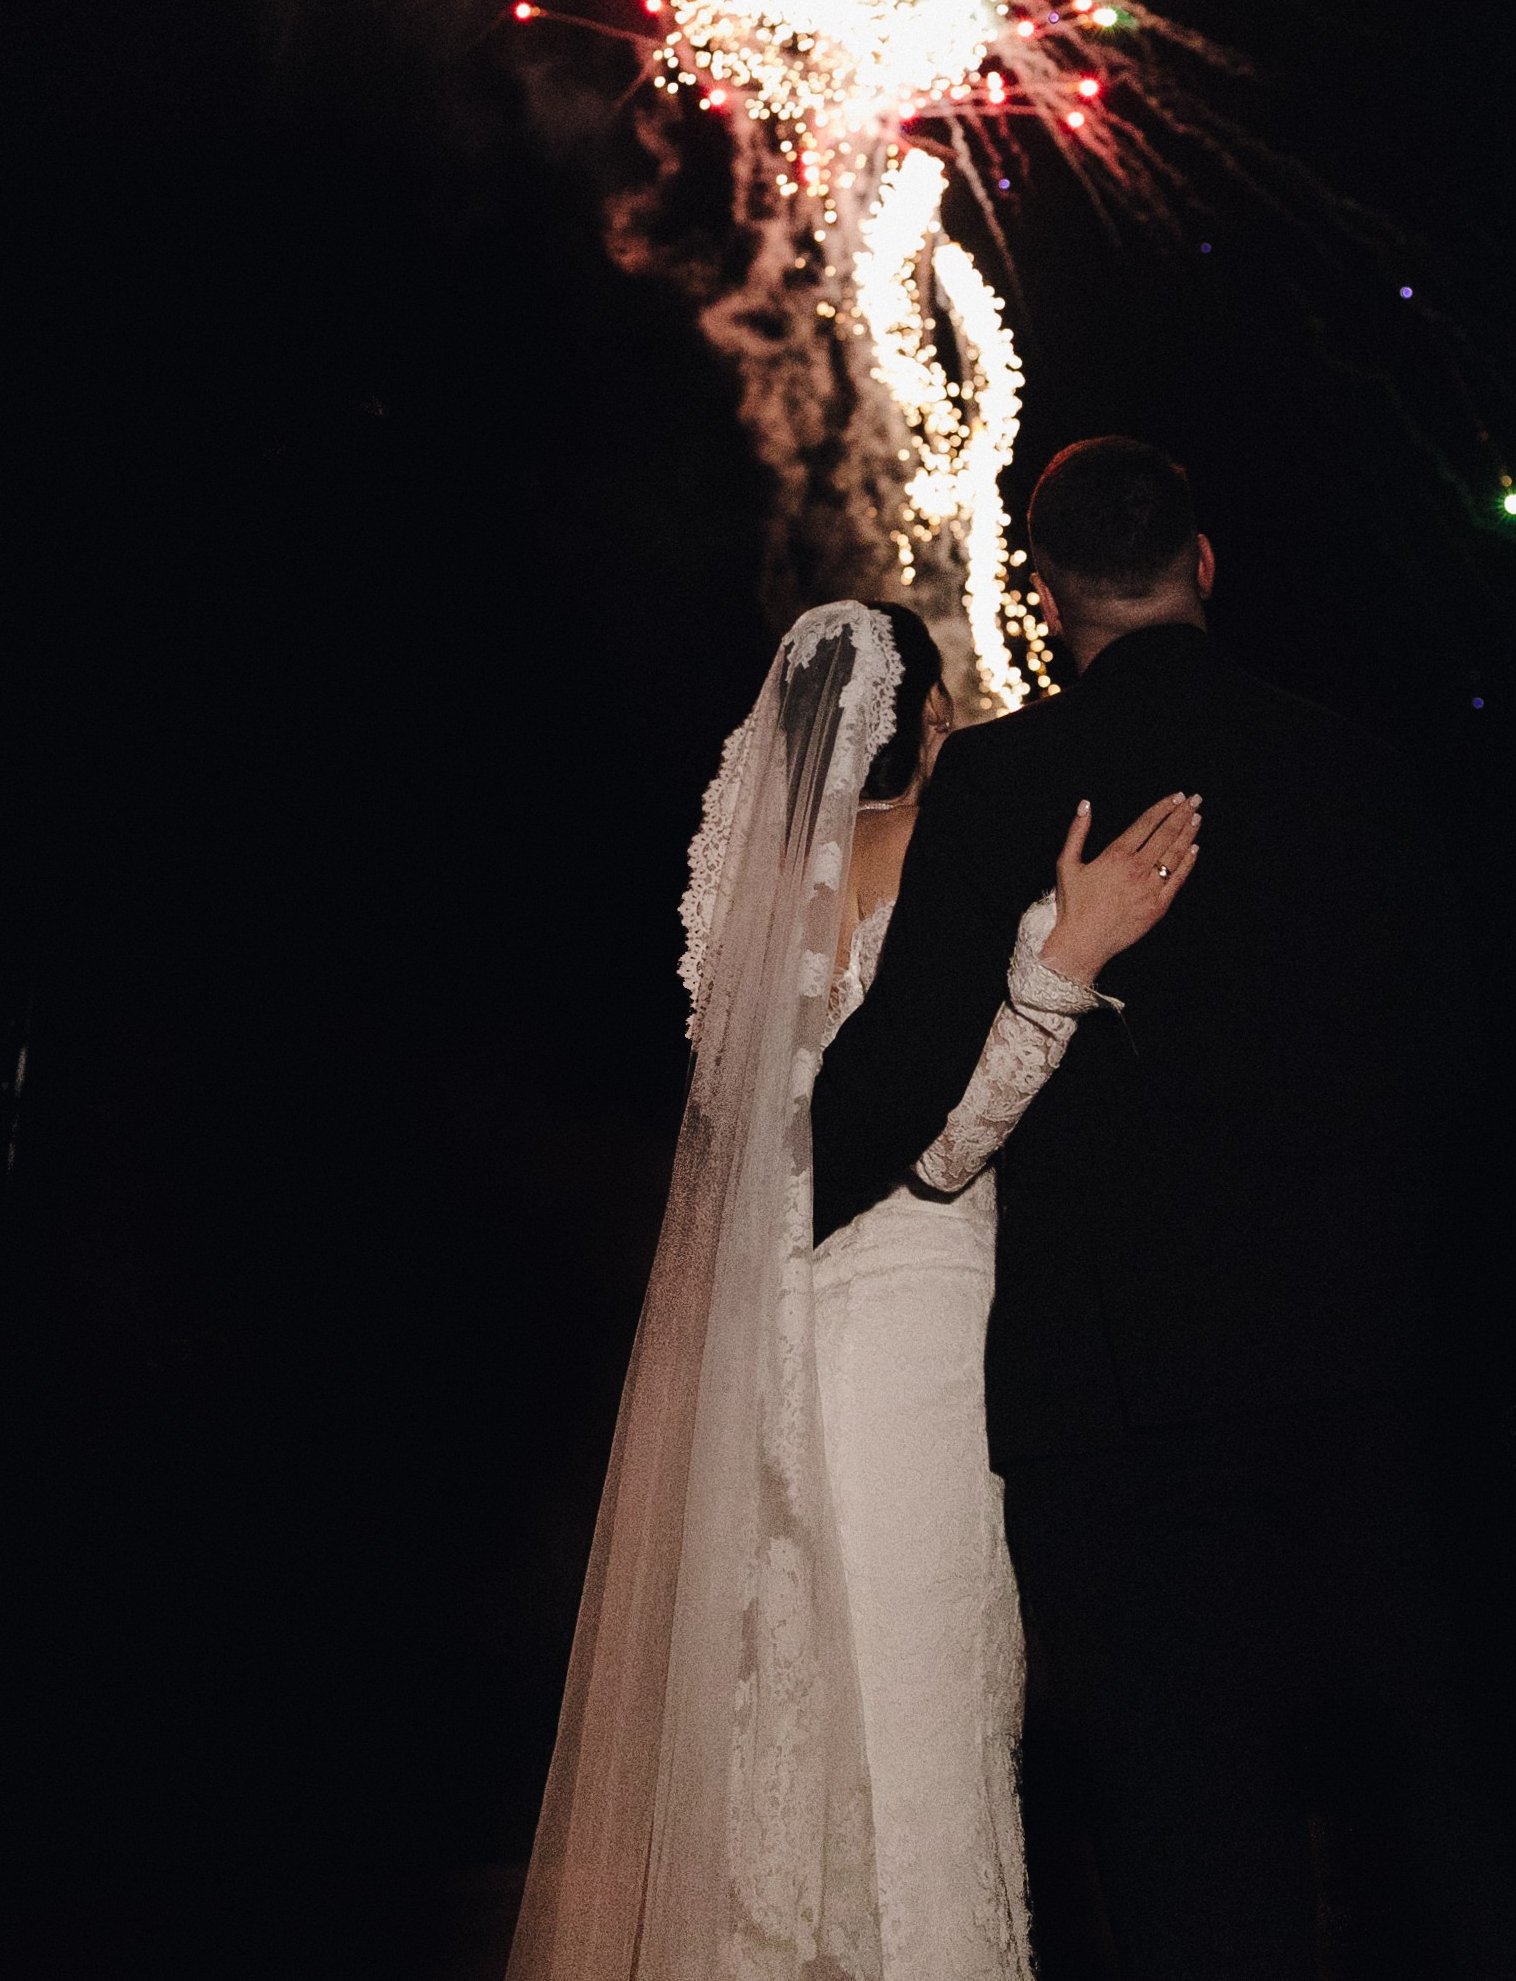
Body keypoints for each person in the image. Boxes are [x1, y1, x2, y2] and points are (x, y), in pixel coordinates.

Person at [812, 439, 1474, 1981]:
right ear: (1207, 561)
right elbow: (1453, 1067)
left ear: (1043, 595)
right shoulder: (1354, 766)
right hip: (1355, 1386)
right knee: (1426, 1827)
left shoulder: (999, 780)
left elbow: (887, 1104)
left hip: (1112, 1406)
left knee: (1189, 1850)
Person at [507, 594, 1197, 1981]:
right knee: (922, 1713)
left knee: (800, 1721)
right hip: (911, 1329)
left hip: (777, 1334)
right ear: (930, 723)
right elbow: (935, 1149)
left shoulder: (752, 907)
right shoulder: (939, 862)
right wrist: (1061, 971)